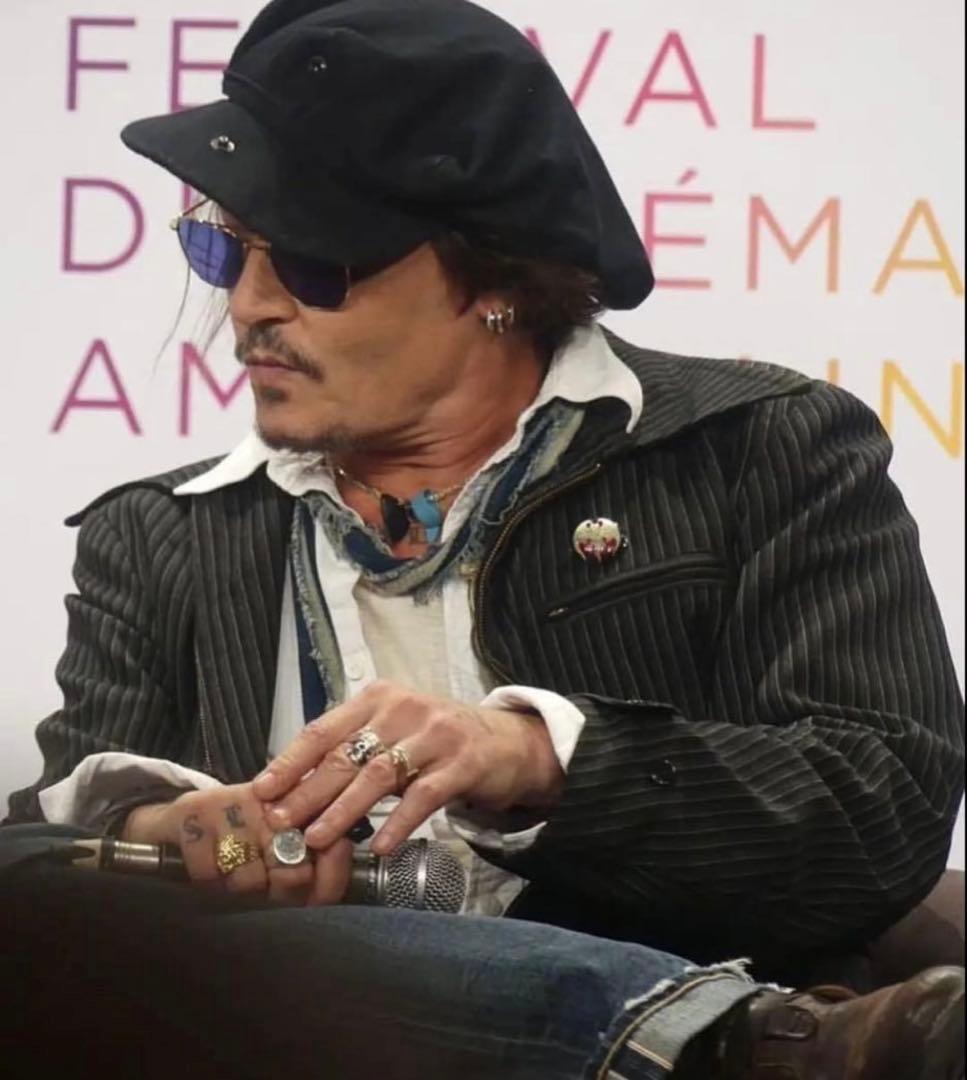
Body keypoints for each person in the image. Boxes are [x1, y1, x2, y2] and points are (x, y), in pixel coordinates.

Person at [3, 0, 963, 1076]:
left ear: (496, 281)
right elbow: (41, 879)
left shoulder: (756, 450)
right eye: (225, 249)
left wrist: (538, 757)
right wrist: (166, 837)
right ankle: (734, 1050)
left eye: (311, 262)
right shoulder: (163, 533)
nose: (250, 308)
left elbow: (881, 808)